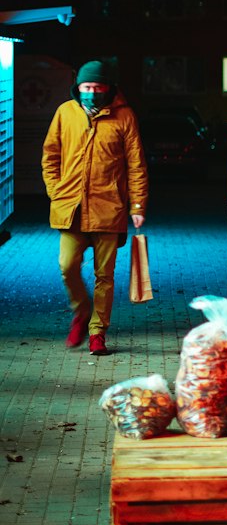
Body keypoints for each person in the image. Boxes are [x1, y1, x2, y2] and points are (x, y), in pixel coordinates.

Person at [41, 59, 148, 356]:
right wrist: (56, 192)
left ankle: (97, 332)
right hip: (71, 207)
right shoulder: (65, 113)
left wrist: (137, 204)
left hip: (108, 208)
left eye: (97, 87)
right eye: (86, 87)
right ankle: (82, 310)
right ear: (78, 88)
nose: (91, 92)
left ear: (108, 88)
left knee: (105, 276)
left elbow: (136, 164)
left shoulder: (124, 116)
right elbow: (50, 155)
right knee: (67, 266)